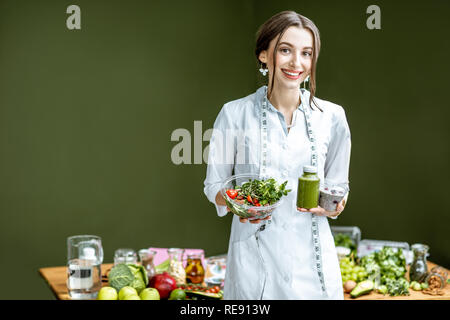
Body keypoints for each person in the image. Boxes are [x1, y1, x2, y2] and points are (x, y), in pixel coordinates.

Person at [203, 11, 351, 299]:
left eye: (306, 53)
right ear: (263, 55)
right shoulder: (234, 114)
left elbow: (339, 190)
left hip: (314, 267)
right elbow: (214, 187)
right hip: (253, 266)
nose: (297, 63)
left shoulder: (332, 117)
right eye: (285, 50)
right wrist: (239, 203)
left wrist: (334, 205)